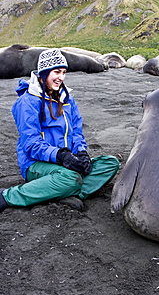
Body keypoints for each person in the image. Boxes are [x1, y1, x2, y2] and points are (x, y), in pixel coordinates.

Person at [0, 48, 119, 212]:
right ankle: (8, 196)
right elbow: (31, 144)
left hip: (66, 162)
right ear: (44, 72)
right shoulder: (27, 102)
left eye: (64, 72)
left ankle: (66, 193)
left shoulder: (68, 99)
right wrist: (60, 155)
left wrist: (81, 153)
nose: (61, 77)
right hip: (36, 164)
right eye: (56, 72)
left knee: (110, 163)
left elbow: (77, 132)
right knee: (70, 178)